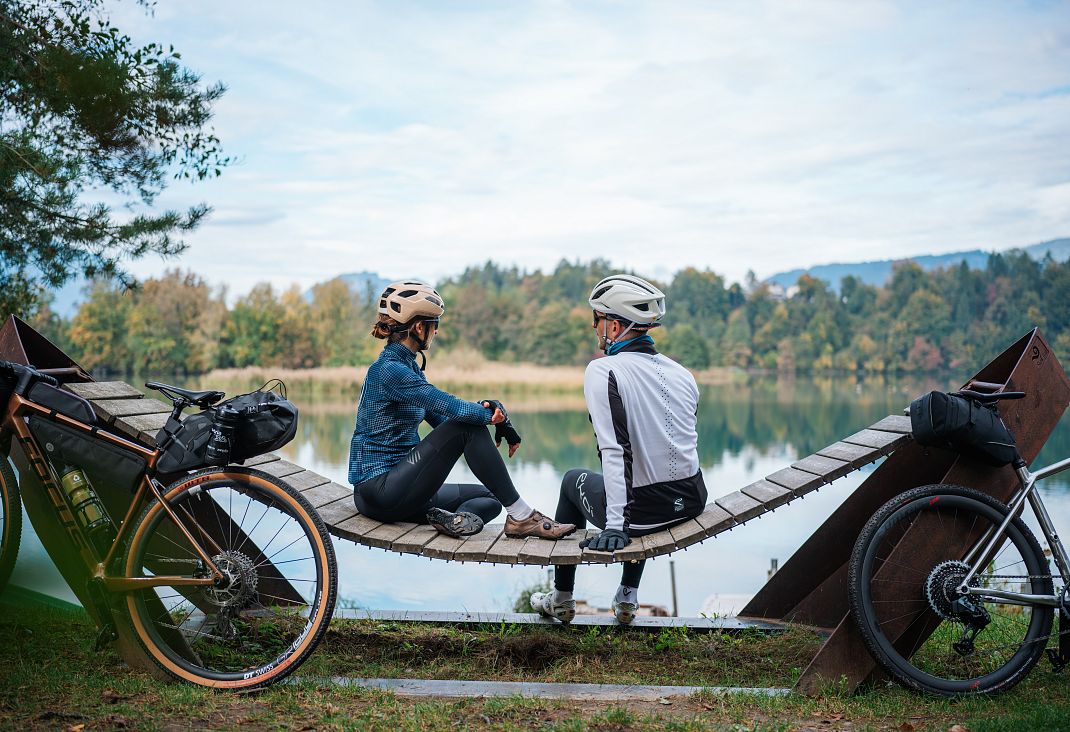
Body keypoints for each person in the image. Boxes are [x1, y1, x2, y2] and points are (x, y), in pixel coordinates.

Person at [530, 274, 708, 624]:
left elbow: (613, 450)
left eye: (596, 319)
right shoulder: (682, 373)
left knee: (571, 480)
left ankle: (562, 598)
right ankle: (627, 598)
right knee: (639, 477)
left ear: (613, 326)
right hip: (690, 501)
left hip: (641, 515)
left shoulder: (603, 370)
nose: (594, 327)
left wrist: (616, 526)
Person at [349, 280, 575, 540]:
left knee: (490, 498)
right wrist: (490, 416)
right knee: (467, 428)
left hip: (405, 489)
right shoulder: (390, 370)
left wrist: (488, 411)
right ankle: (523, 517)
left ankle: (447, 519)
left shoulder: (407, 367)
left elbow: (442, 418)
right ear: (419, 327)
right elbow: (454, 409)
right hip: (379, 491)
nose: (436, 332)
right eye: (435, 325)